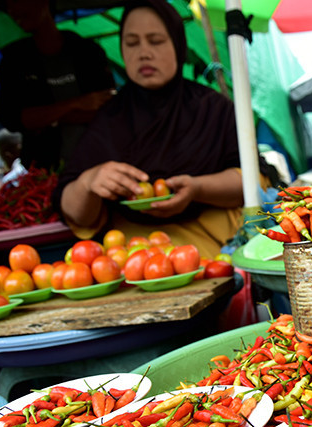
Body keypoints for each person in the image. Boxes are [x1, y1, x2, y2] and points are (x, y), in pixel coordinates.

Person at [54, 0, 266, 258]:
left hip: (216, 247)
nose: (143, 53)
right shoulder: (107, 119)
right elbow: (72, 211)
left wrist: (197, 188)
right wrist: (89, 182)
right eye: (132, 43)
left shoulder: (212, 108)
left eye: (155, 41)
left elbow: (253, 180)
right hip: (134, 257)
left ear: (177, 45)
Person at [0, 0, 116, 171]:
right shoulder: (14, 60)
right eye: (8, 6)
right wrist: (76, 103)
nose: (13, 10)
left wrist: (47, 118)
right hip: (44, 172)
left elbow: (108, 109)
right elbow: (14, 119)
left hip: (96, 163)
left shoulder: (88, 52)